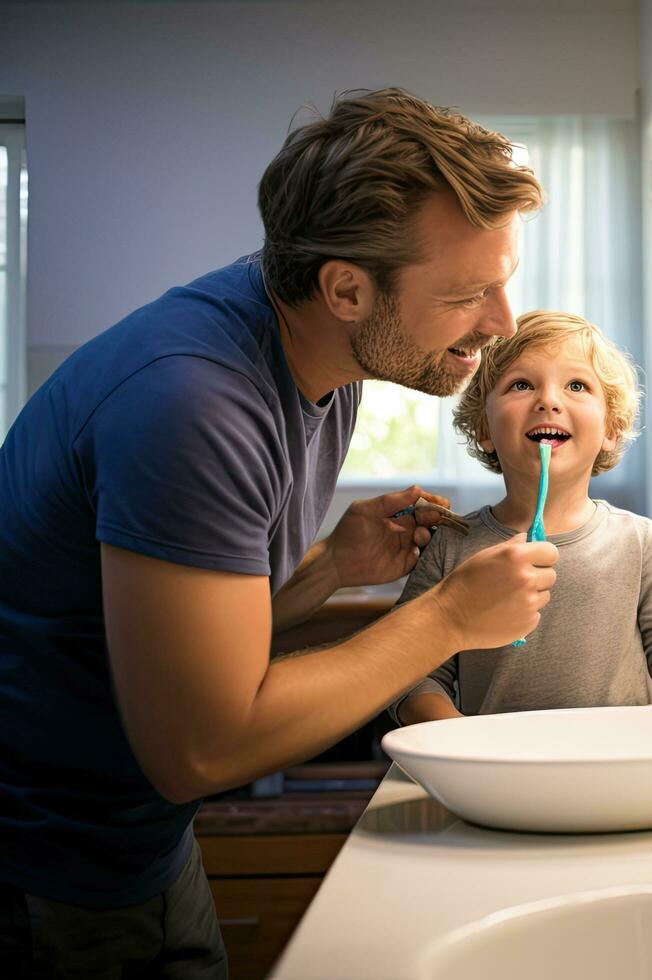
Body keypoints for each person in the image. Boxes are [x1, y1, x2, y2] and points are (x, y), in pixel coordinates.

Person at [0, 88, 559, 975]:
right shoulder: (191, 402)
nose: (497, 323)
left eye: (502, 283)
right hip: (44, 867)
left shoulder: (320, 355)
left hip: (139, 843)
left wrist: (329, 568)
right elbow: (201, 744)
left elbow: (189, 645)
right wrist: (447, 619)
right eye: (469, 293)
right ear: (345, 287)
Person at [393, 311, 652, 726]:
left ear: (610, 428)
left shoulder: (637, 540)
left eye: (576, 385)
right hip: (498, 776)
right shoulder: (451, 545)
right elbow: (410, 673)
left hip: (620, 768)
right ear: (483, 427)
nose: (549, 400)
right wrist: (457, 738)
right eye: (521, 385)